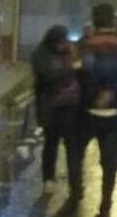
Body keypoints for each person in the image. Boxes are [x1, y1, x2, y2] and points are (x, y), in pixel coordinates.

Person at [61, 3, 117, 217]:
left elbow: (73, 73)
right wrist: (111, 91)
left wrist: (94, 91)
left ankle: (75, 201)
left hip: (84, 111)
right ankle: (105, 209)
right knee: (110, 162)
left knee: (75, 154)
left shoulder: (84, 46)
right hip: (114, 112)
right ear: (113, 21)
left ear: (94, 21)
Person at [31, 25, 82, 196]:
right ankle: (48, 179)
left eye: (65, 40)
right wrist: (70, 66)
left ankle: (75, 184)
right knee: (51, 144)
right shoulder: (41, 54)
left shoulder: (70, 51)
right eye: (61, 42)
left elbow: (81, 70)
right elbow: (47, 75)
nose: (64, 44)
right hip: (50, 106)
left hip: (70, 106)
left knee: (72, 146)